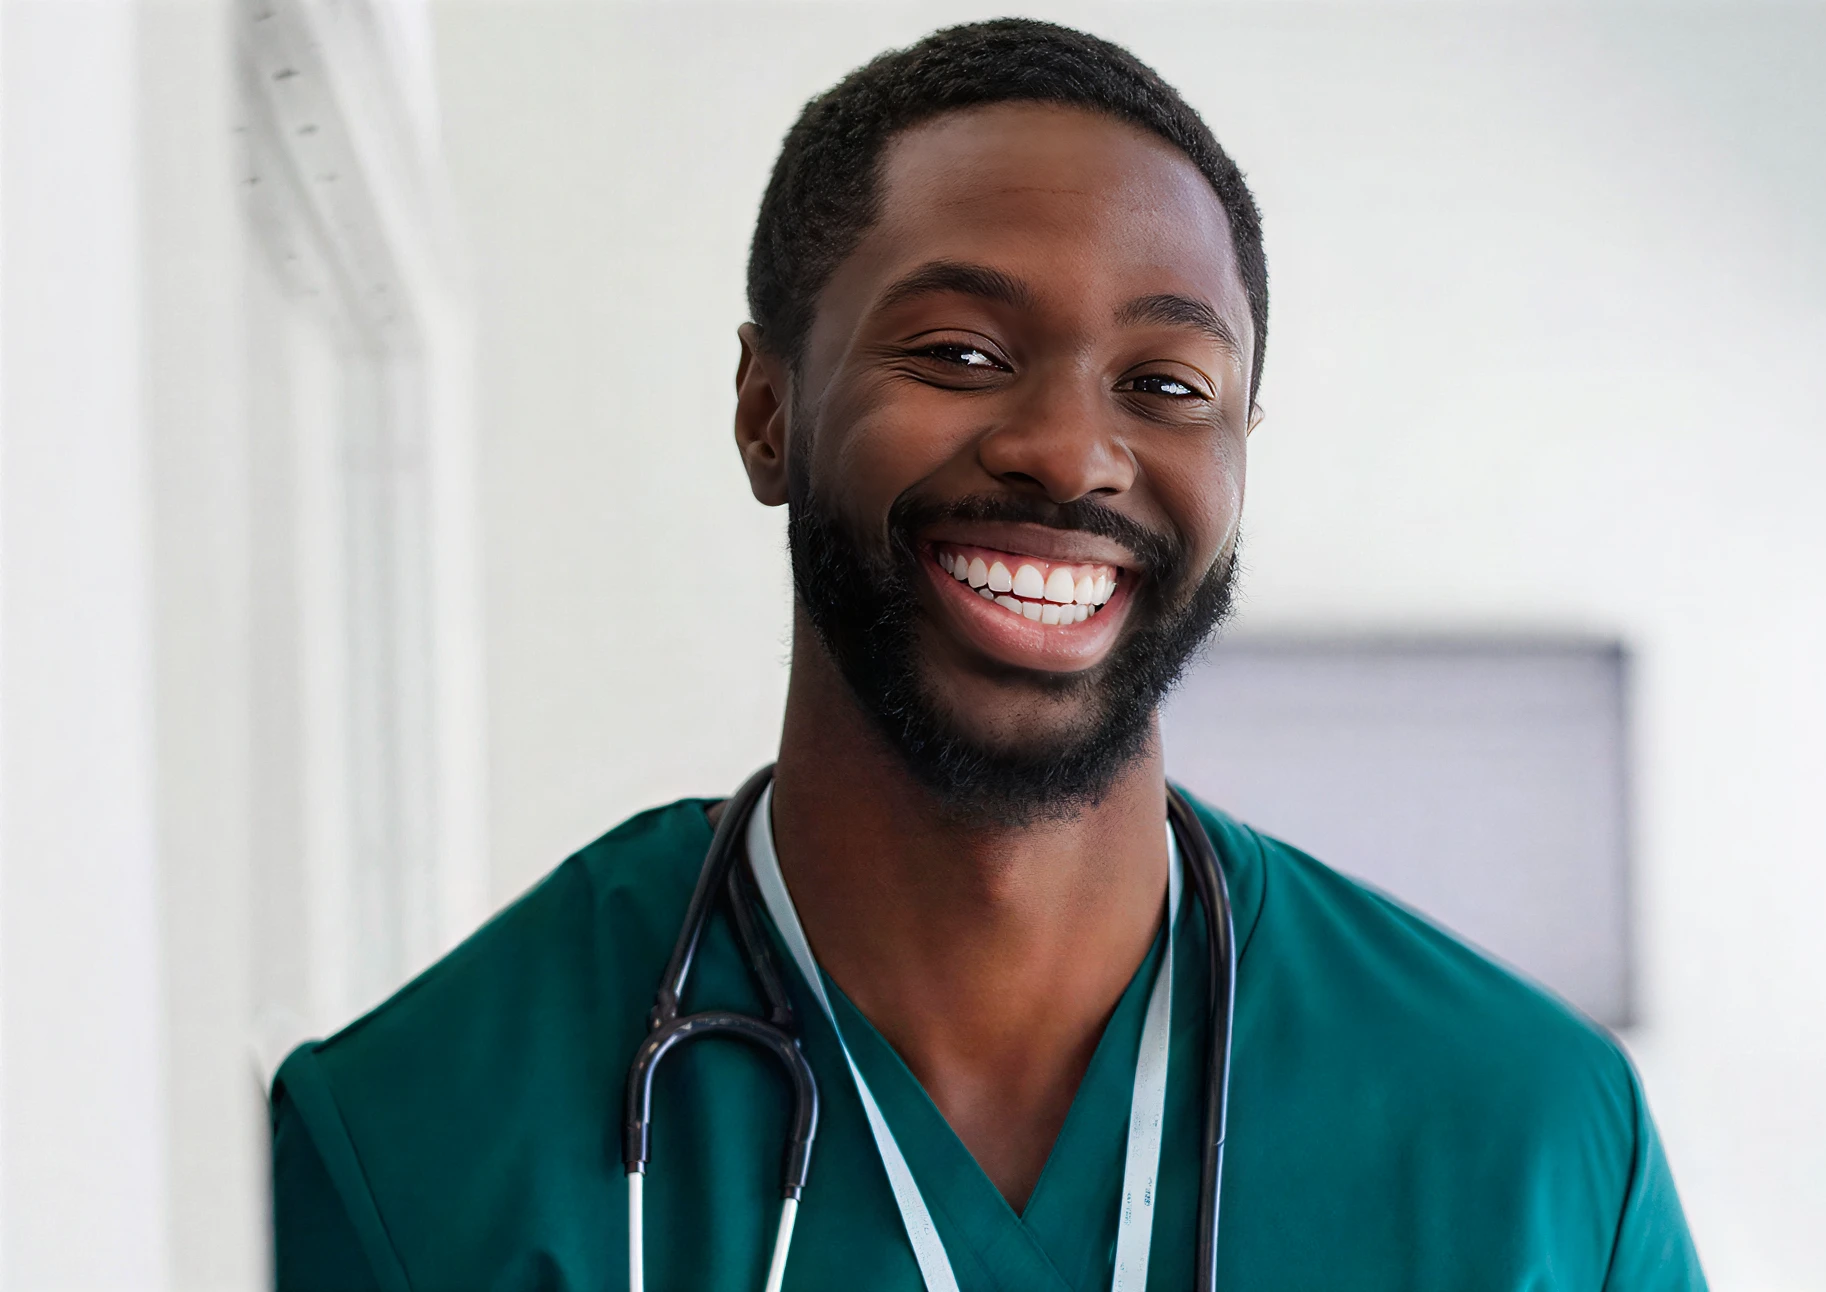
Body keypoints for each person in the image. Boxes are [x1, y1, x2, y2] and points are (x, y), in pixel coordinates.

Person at [270, 19, 1707, 1291]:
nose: (1072, 454)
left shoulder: (1530, 1146)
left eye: (1165, 385)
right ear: (768, 412)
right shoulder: (415, 1151)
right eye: (960, 353)